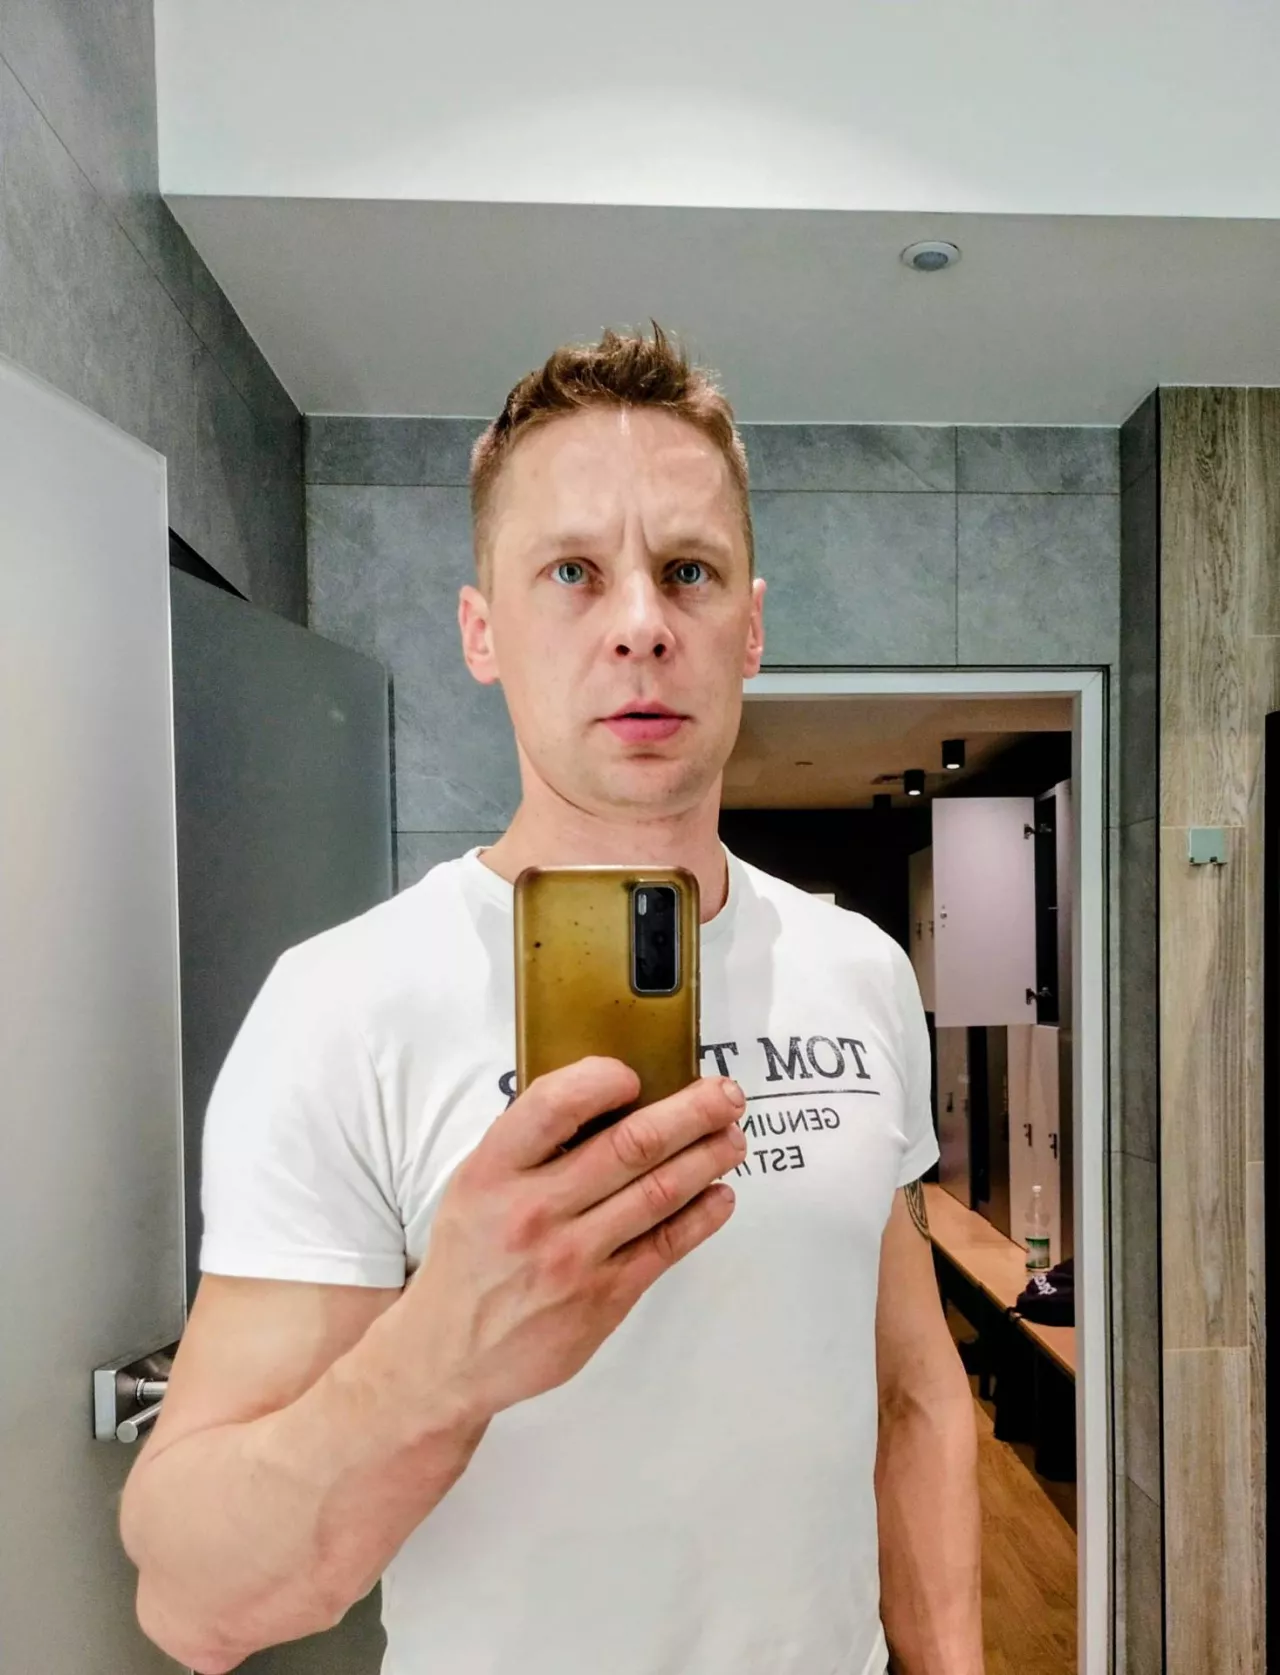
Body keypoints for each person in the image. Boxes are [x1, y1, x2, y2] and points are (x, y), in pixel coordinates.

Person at [121, 325, 982, 1675]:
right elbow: (193, 1605)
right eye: (573, 572)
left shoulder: (860, 969)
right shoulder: (345, 1005)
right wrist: (446, 1347)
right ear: (483, 630)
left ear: (751, 627)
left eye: (688, 571)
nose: (642, 622)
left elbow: (914, 1393)